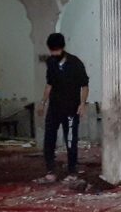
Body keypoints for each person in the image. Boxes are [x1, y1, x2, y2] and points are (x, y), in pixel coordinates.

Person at [36, 33, 89, 184]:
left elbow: (84, 86)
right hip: (54, 108)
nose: (54, 54)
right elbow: (49, 85)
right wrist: (43, 102)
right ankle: (50, 171)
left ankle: (72, 172)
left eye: (56, 51)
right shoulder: (51, 62)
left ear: (63, 48)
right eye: (52, 51)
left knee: (71, 140)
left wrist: (82, 103)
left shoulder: (75, 63)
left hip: (71, 109)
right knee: (49, 139)